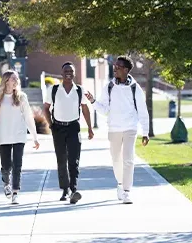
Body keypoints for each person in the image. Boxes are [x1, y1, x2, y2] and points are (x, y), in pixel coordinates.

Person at [85, 55, 149, 204]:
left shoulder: (135, 88)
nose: (115, 69)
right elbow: (104, 110)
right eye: (114, 66)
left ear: (126, 70)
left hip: (130, 128)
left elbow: (142, 111)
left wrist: (145, 132)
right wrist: (93, 101)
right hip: (114, 128)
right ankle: (120, 184)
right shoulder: (109, 86)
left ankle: (127, 191)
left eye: (118, 67)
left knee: (128, 159)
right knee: (116, 159)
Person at [43, 61, 94, 204]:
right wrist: (51, 125)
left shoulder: (79, 90)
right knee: (61, 160)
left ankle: (73, 189)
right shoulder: (53, 89)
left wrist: (90, 128)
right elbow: (46, 107)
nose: (68, 73)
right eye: (66, 71)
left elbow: (85, 109)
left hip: (74, 127)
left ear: (74, 73)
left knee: (74, 160)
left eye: (71, 71)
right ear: (61, 73)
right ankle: (64, 189)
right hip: (58, 128)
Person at [0, 70, 40, 204]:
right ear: (6, 81)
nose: (16, 81)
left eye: (17, 78)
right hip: (3, 135)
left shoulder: (22, 97)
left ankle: (15, 192)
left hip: (19, 135)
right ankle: (6, 184)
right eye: (13, 78)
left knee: (17, 165)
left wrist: (35, 137)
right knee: (6, 166)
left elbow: (28, 117)